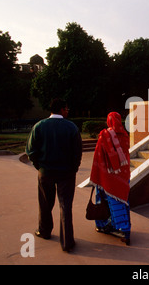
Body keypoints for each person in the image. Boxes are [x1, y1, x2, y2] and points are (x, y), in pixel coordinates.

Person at [26, 98, 82, 253]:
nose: (67, 111)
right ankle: (67, 242)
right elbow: (77, 153)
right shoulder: (71, 127)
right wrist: (73, 168)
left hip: (45, 172)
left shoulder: (39, 126)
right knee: (65, 206)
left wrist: (40, 166)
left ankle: (44, 231)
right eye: (67, 109)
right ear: (62, 109)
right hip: (66, 174)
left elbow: (30, 150)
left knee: (45, 203)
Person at [89, 112, 131, 245]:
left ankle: (104, 225)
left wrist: (97, 174)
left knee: (104, 200)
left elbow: (98, 156)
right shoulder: (125, 135)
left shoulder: (104, 135)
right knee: (122, 201)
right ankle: (125, 230)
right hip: (122, 176)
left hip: (107, 177)